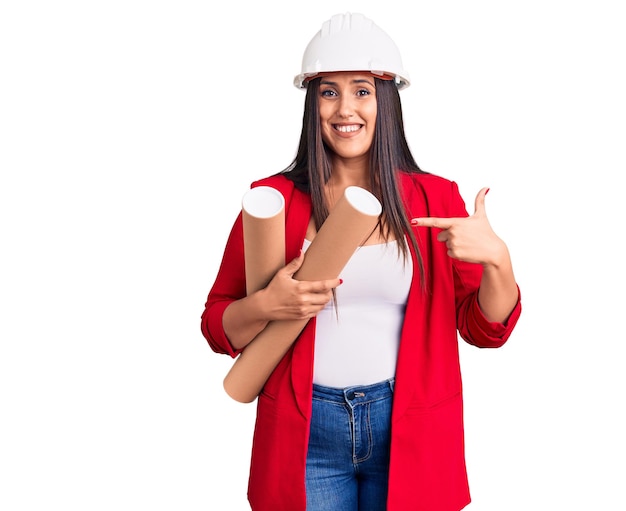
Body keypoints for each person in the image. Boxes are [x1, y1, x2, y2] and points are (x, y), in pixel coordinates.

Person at [201, 12, 522, 511]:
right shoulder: (273, 202)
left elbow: (484, 329)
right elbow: (218, 325)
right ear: (312, 103)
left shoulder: (435, 198)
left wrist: (499, 261)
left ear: (387, 102)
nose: (344, 108)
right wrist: (268, 303)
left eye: (362, 91)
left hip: (408, 424)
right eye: (329, 91)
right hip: (306, 431)